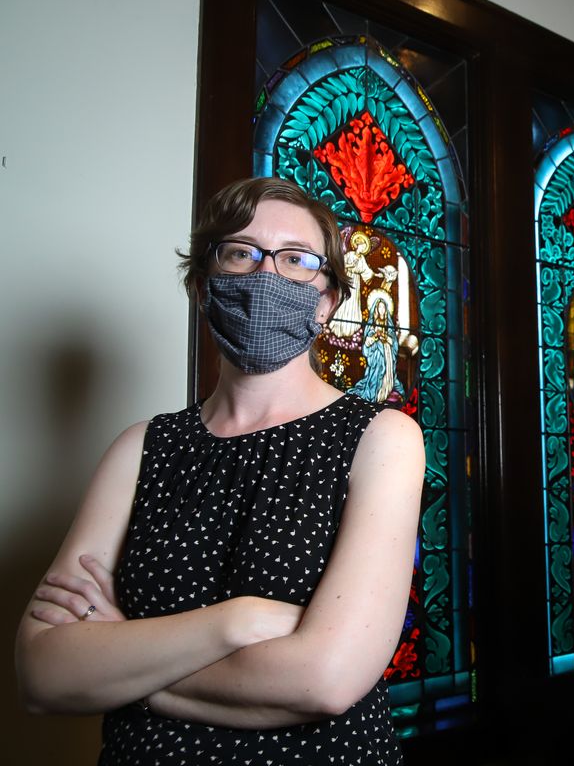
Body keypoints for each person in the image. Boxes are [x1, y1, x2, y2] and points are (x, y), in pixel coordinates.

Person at [15, 177, 425, 765]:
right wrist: (238, 621)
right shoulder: (141, 448)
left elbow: (327, 679)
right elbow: (44, 672)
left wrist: (125, 666)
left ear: (328, 300)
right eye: (241, 252)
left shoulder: (382, 437)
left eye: (296, 261)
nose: (266, 276)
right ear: (205, 285)